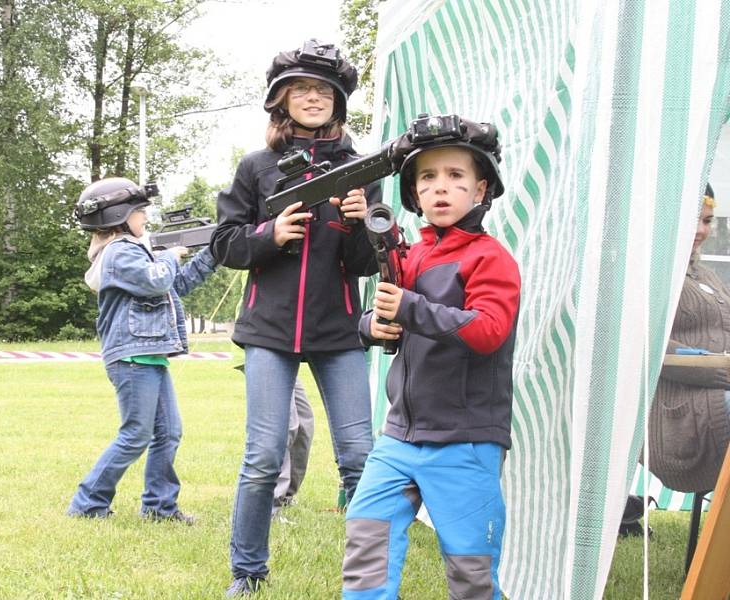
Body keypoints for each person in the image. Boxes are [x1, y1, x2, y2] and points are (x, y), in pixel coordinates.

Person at [210, 39, 379, 596]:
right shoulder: (256, 167)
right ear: (281, 101)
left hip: (339, 334)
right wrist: (270, 234)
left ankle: (369, 580)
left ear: (338, 102)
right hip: (270, 334)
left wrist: (359, 223)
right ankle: (247, 574)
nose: (313, 98)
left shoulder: (362, 168)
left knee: (359, 457)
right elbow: (224, 243)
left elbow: (366, 264)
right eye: (302, 89)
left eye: (323, 91)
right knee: (262, 457)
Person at [342, 119, 521, 600]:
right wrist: (372, 325)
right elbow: (384, 311)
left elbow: (488, 331)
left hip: (464, 442)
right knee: (366, 545)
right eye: (427, 178)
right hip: (398, 437)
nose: (441, 187)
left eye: (456, 177)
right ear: (413, 193)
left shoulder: (491, 258)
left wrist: (410, 308)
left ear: (481, 189)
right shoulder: (409, 255)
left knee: (471, 576)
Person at [67, 177, 216, 523]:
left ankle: (159, 508)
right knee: (136, 434)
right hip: (131, 357)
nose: (146, 217)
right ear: (119, 216)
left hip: (148, 354)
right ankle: (87, 503)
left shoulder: (138, 252)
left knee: (168, 432)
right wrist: (168, 257)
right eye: (140, 211)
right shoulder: (119, 253)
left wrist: (212, 254)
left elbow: (176, 284)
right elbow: (158, 279)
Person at [648, 183, 730, 494]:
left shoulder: (708, 277)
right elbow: (647, 347)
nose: (700, 229)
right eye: (693, 218)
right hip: (679, 411)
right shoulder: (651, 274)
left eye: (707, 221)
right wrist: (718, 369)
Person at [272, 378, 314, 518]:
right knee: (285, 426)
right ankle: (270, 507)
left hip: (292, 361)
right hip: (271, 359)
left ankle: (285, 498)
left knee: (303, 426)